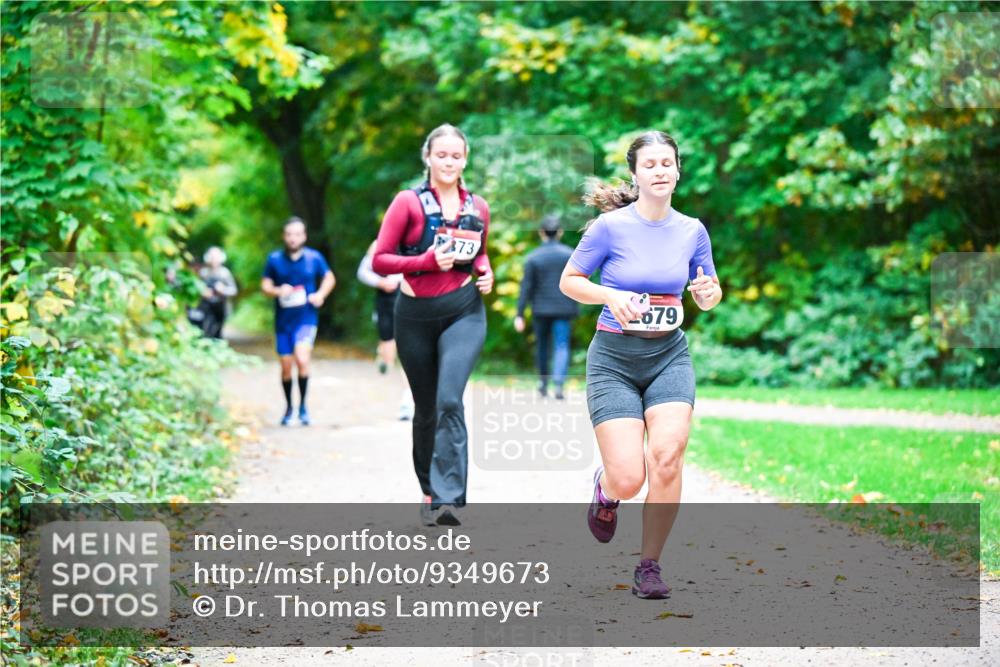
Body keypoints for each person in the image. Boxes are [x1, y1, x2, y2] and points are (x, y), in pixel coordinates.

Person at [559, 131, 722, 599]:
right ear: (635, 173)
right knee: (629, 478)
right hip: (614, 359)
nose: (660, 171)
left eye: (667, 163)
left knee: (667, 457)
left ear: (678, 170)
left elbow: (709, 292)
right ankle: (606, 491)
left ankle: (649, 565)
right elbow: (570, 280)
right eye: (649, 164)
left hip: (669, 355)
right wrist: (609, 295)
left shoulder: (692, 230)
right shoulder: (609, 228)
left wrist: (708, 293)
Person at [372, 123, 493, 527]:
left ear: (465, 160)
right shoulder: (407, 202)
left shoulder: (478, 207)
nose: (449, 162)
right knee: (425, 409)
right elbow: (380, 260)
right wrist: (425, 261)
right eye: (441, 155)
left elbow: (479, 254)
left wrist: (485, 272)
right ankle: (428, 489)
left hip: (464, 311)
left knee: (449, 400)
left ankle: (448, 498)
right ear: (428, 157)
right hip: (414, 316)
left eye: (456, 155)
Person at [261, 217, 336, 427]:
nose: (293, 238)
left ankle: (303, 407)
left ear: (304, 236)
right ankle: (289, 408)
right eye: (289, 234)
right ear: (284, 236)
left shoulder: (314, 258)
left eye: (297, 234)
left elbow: (329, 278)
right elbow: (265, 285)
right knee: (286, 366)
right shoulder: (274, 259)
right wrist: (278, 290)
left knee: (302, 360)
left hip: (306, 318)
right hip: (283, 322)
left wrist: (320, 294)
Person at [514, 214, 579, 400]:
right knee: (561, 345)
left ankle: (543, 384)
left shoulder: (533, 257)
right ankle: (558, 384)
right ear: (559, 232)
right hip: (564, 308)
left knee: (542, 346)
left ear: (541, 232)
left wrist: (519, 314)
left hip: (540, 309)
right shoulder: (570, 255)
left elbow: (526, 287)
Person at [357, 240, 415, 420]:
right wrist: (380, 282)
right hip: (384, 303)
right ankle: (383, 355)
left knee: (407, 353)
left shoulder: (413, 242)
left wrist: (398, 279)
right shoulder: (378, 244)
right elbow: (362, 272)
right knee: (389, 353)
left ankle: (407, 400)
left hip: (408, 302)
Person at [196, 246, 238, 339]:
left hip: (220, 307)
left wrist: (223, 290)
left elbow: (233, 290)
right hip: (205, 307)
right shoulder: (203, 272)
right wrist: (203, 292)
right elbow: (197, 288)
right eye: (212, 257)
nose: (214, 260)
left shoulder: (225, 273)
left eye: (216, 257)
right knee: (205, 330)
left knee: (217, 331)